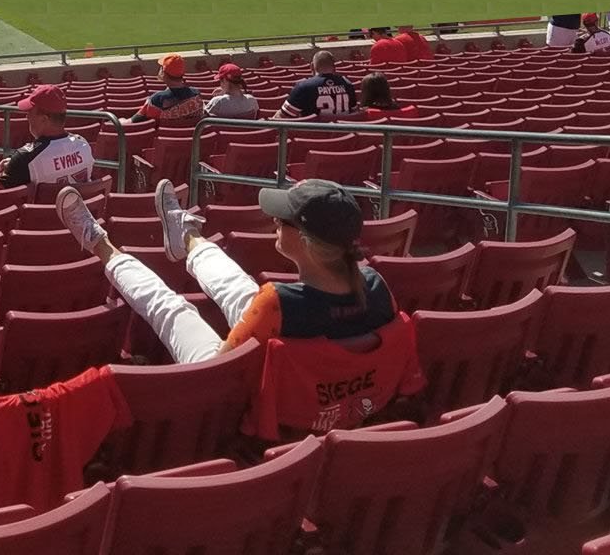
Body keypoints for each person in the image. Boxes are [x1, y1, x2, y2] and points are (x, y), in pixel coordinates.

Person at [55, 179, 416, 435]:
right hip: (334, 393)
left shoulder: (277, 303)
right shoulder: (377, 286)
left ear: (305, 241)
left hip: (238, 395)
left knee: (171, 308)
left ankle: (98, 243)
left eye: (283, 218)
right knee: (242, 289)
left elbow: (222, 369)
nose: (275, 220)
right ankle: (187, 237)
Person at [0, 85, 95, 190]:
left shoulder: (26, 158)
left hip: (41, 205)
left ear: (44, 119)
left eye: (30, 112)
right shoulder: (83, 145)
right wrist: (15, 165)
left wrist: (14, 167)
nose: (27, 116)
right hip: (76, 205)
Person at [280, 50, 358, 121]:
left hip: (312, 135)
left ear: (312, 66)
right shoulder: (347, 84)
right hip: (344, 134)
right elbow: (355, 112)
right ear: (334, 67)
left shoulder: (303, 87)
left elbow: (283, 116)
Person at [132, 53, 204, 124]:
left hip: (164, 135)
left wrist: (122, 120)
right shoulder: (196, 94)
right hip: (192, 135)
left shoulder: (157, 99)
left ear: (164, 73)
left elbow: (134, 121)